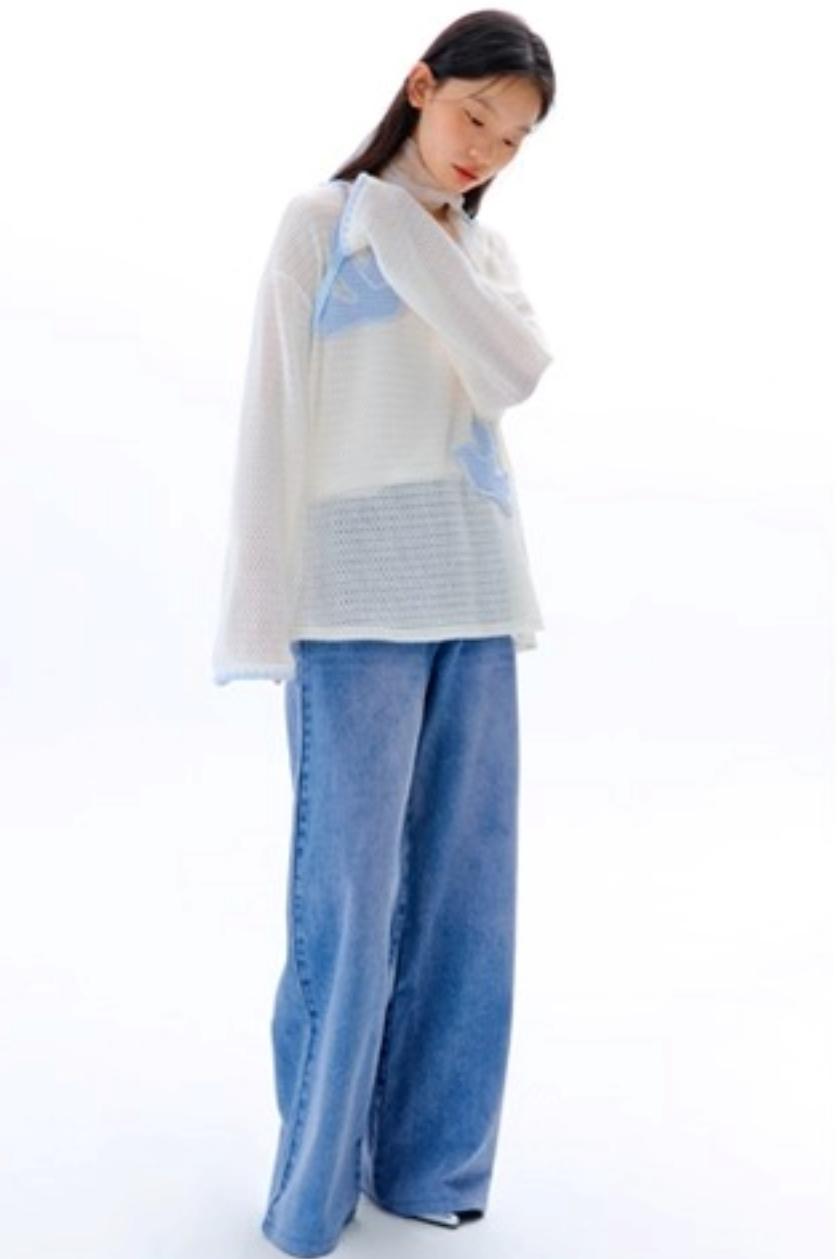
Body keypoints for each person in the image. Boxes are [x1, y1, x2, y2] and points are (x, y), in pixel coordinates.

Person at [211, 10, 556, 1257]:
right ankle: (313, 1193)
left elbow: (514, 373)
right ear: (419, 87)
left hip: (476, 589)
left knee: (469, 899)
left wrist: (421, 230)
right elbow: (273, 417)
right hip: (350, 606)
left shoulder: (479, 246)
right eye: (475, 116)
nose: (485, 151)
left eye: (512, 140)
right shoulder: (320, 223)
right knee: (347, 905)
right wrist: (263, 620)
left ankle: (427, 1166)